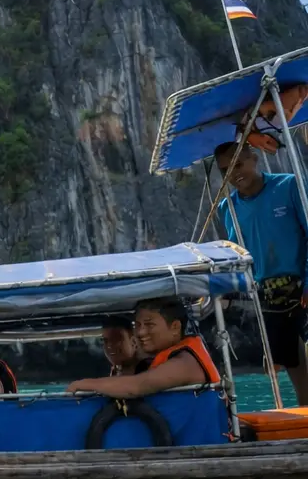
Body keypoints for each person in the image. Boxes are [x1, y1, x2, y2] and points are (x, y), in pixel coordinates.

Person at [213, 140, 308, 404]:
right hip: (268, 296)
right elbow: (239, 258)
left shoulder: (288, 186)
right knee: (293, 364)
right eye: (225, 170)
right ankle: (304, 423)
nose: (233, 173)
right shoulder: (227, 208)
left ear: (253, 159)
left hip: (302, 285)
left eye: (238, 164)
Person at [69, 298, 221, 398]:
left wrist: (83, 384)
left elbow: (136, 387)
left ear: (175, 327)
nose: (141, 332)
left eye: (149, 325)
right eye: (138, 325)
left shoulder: (186, 362)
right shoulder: (157, 360)